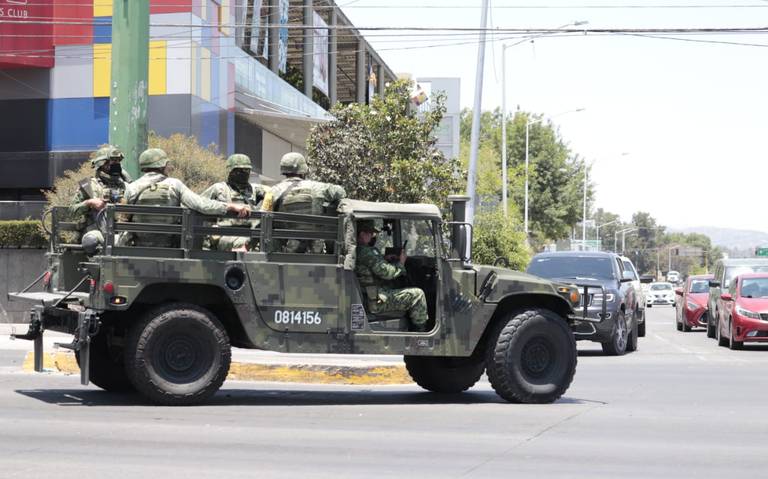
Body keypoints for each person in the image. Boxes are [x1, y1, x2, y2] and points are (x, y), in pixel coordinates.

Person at [123, 148, 249, 248]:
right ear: (162, 165)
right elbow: (201, 205)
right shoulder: (174, 184)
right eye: (167, 164)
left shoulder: (132, 188)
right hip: (171, 246)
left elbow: (122, 218)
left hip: (139, 245)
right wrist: (229, 206)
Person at [262, 152, 345, 253]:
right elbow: (341, 192)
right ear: (303, 170)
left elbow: (263, 217)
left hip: (286, 251)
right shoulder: (318, 187)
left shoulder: (272, 191)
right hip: (316, 252)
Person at [354, 220, 429, 332]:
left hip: (374, 295)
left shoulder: (361, 250)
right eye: (370, 233)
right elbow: (387, 273)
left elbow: (373, 266)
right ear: (362, 234)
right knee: (418, 295)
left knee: (401, 286)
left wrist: (385, 259)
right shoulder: (365, 252)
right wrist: (401, 263)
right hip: (375, 301)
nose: (372, 236)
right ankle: (421, 334)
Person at [200, 154, 269, 251]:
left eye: (247, 170)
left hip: (250, 234)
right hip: (225, 233)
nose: (244, 173)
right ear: (231, 171)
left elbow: (274, 194)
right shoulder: (219, 188)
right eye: (239, 171)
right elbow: (200, 203)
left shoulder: (255, 189)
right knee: (245, 243)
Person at [69, 145, 128, 255]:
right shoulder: (89, 186)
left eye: (118, 161)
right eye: (112, 161)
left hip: (122, 234)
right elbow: (71, 211)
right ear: (102, 164)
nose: (116, 164)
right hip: (97, 236)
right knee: (92, 241)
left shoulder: (125, 186)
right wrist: (90, 203)